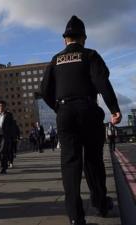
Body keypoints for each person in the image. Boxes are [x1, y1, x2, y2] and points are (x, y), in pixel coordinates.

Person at [41, 15, 122, 225]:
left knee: (70, 164)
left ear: (64, 39)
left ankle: (76, 217)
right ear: (83, 38)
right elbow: (102, 82)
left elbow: (44, 90)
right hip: (87, 109)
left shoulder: (55, 59)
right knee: (93, 161)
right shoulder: (90, 55)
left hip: (65, 112)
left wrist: (59, 108)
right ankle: (101, 203)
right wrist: (114, 109)